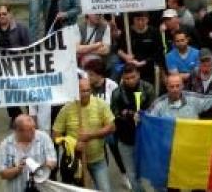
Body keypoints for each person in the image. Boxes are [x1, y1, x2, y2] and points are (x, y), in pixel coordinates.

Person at [53, 77, 116, 192]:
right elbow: (56, 135)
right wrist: (71, 145)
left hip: (98, 159)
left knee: (105, 189)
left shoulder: (100, 104)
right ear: (76, 92)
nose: (86, 93)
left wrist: (91, 135)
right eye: (82, 91)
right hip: (76, 162)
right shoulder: (66, 109)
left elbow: (111, 127)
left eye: (88, 90)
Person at [109, 64, 156, 192]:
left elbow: (154, 109)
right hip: (125, 139)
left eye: (133, 77)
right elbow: (114, 113)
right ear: (123, 78)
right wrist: (129, 114)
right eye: (127, 78)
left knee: (152, 171)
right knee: (131, 174)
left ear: (138, 75)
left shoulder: (148, 88)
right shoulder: (117, 92)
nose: (130, 80)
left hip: (146, 139)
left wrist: (142, 115)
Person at [0, 114, 57, 192]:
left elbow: (52, 160)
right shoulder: (5, 145)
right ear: (18, 131)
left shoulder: (43, 137)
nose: (34, 131)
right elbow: (2, 173)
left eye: (34, 127)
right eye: (30, 130)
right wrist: (17, 169)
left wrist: (40, 168)